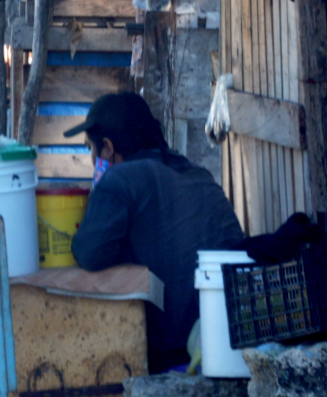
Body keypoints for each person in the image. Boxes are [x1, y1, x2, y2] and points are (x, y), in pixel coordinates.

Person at [68, 92, 245, 373]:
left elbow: (89, 253)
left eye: (91, 148)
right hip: (229, 340)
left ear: (108, 148)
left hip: (170, 355)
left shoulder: (118, 180)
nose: (91, 158)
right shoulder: (198, 174)